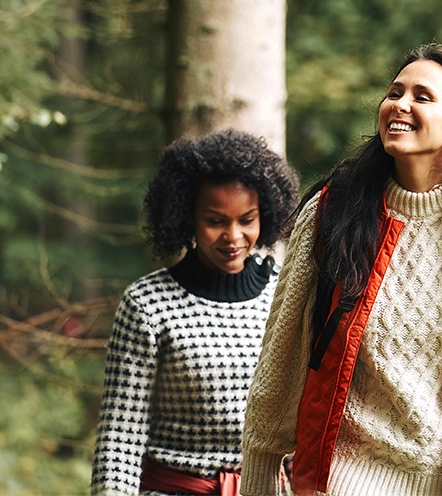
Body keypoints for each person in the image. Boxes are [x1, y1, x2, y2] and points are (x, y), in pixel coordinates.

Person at [242, 44, 442, 496]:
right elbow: (281, 358)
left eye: (422, 96)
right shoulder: (331, 213)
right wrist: (259, 477)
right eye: (395, 92)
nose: (400, 104)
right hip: (341, 482)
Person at [91, 129, 301, 496]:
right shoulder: (146, 304)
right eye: (216, 221)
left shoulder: (286, 294)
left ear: (265, 215)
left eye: (246, 220)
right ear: (186, 218)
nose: (233, 236)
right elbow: (120, 437)